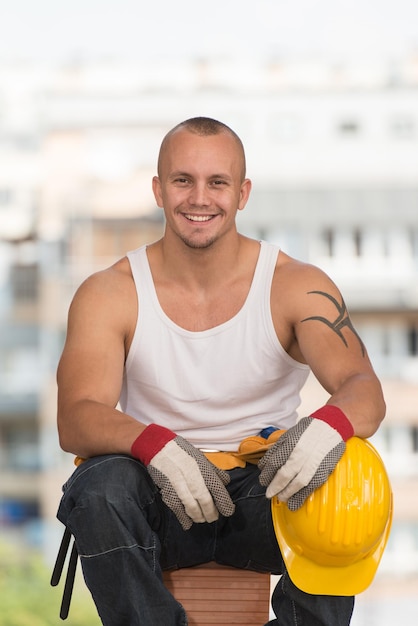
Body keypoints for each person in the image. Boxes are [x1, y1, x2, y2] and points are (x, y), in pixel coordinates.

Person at [55, 116, 385, 626]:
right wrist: (155, 444)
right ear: (158, 190)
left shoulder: (294, 283)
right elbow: (76, 417)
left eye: (218, 182)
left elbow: (364, 389)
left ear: (243, 192)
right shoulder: (109, 291)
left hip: (268, 495)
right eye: (182, 180)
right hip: (158, 498)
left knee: (349, 469)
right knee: (99, 487)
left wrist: (328, 427)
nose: (199, 198)